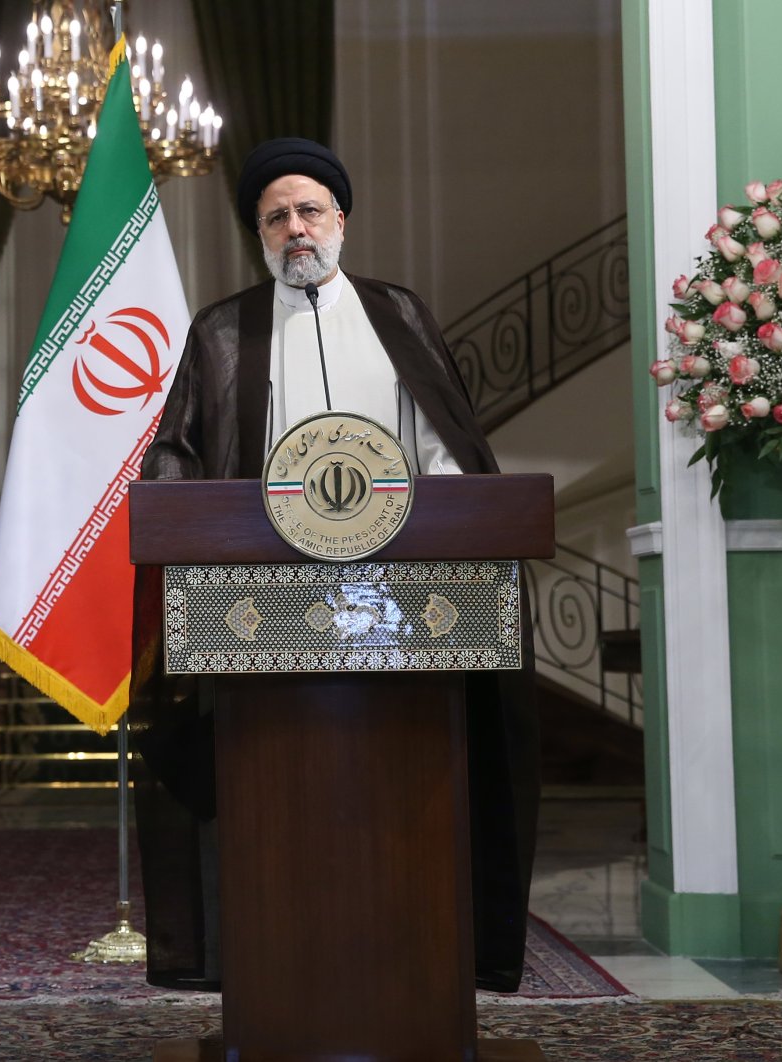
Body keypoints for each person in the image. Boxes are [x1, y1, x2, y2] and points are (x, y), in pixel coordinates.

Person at [130, 137, 539, 994]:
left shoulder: (398, 314)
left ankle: (418, 962)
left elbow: (446, 446)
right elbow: (177, 452)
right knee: (278, 799)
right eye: (275, 217)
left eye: (309, 210)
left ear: (341, 221)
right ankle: (272, 965)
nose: (295, 229)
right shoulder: (222, 330)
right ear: (259, 235)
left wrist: (460, 516)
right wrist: (177, 510)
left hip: (402, 601)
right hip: (263, 606)